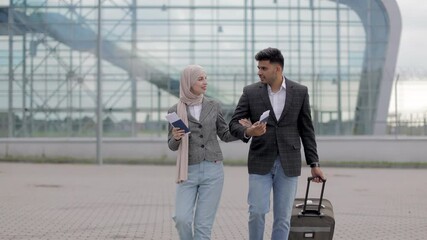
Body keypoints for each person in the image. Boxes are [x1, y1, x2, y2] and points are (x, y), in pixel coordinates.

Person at [228, 47, 325, 240]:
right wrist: (249, 131)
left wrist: (314, 164)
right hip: (260, 160)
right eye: (258, 68)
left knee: (282, 218)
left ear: (277, 69)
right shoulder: (250, 92)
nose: (259, 72)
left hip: (288, 163)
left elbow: (307, 130)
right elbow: (233, 123)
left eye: (264, 68)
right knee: (256, 211)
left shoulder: (300, 92)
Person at [167, 64, 241, 240]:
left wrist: (245, 132)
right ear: (188, 82)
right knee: (182, 219)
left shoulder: (214, 105)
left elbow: (224, 134)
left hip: (213, 170)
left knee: (202, 227)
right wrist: (176, 137)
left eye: (205, 78)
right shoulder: (175, 110)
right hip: (188, 171)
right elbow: (171, 145)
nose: (205, 82)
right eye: (200, 79)